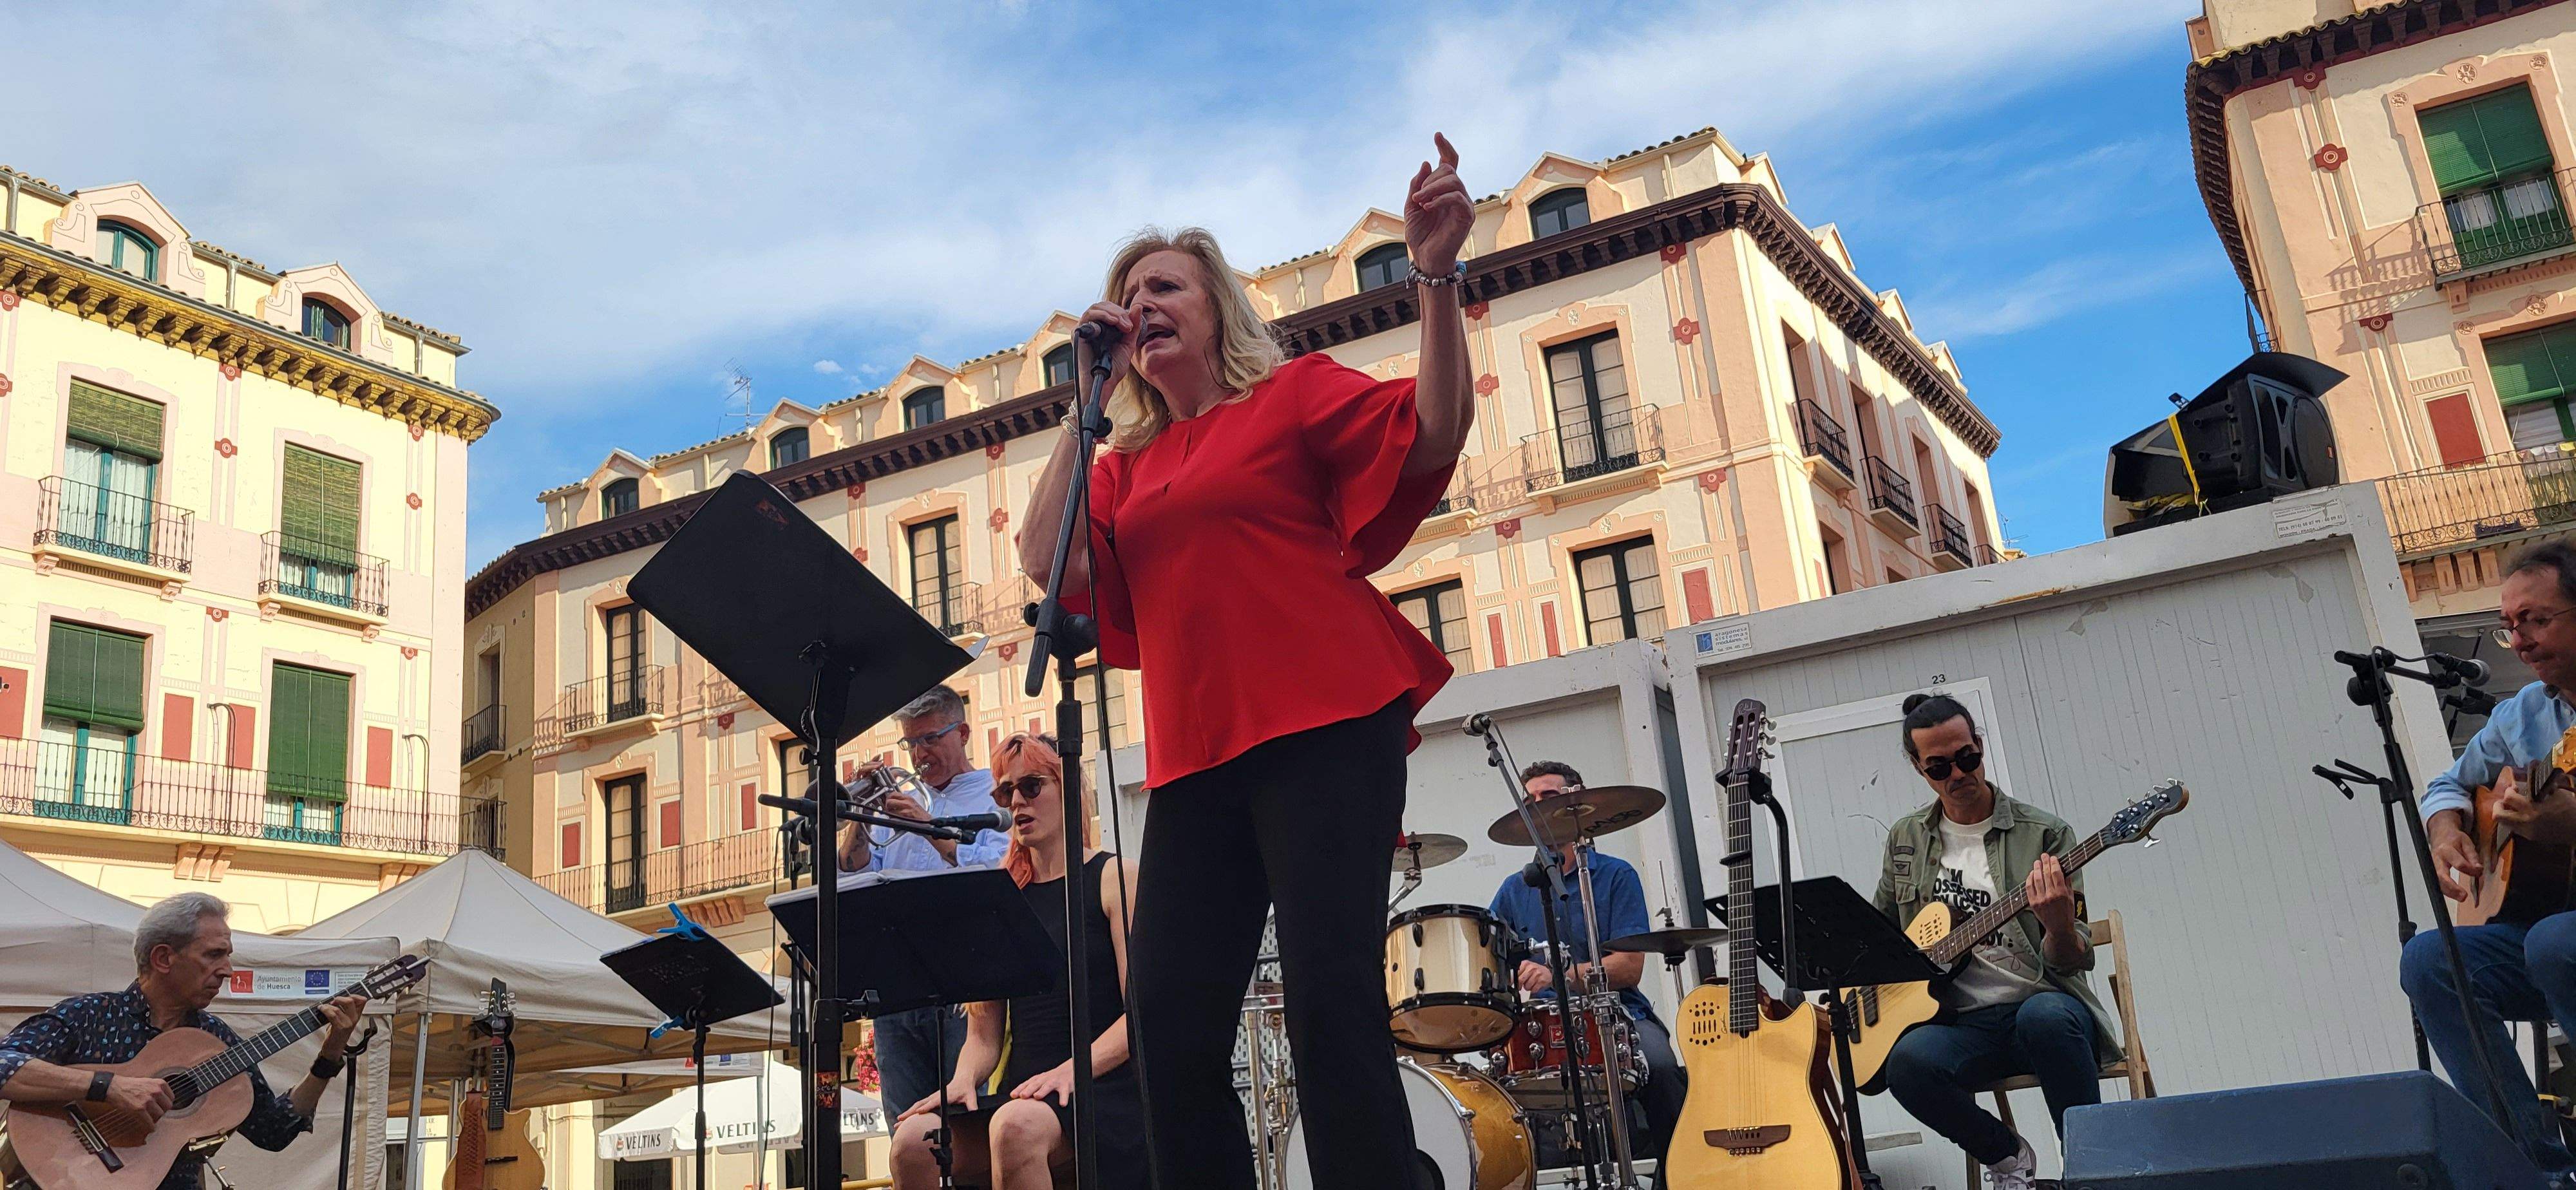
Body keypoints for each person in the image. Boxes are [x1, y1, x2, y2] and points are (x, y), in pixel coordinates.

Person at [1018, 132, 1474, 1188]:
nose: (1142, 303)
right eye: (1128, 294)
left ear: (1218, 305)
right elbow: (1048, 559)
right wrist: (1079, 402)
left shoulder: (1291, 396)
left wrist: (1436, 277)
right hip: (1195, 762)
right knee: (1173, 1034)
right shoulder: (1126, 466)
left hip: (1327, 724)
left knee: (1330, 1006)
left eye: (1164, 284)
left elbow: (1436, 425)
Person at [1871, 693, 2120, 1190]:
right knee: (1906, 1062)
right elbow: (1880, 938)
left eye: (1967, 758)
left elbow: (2072, 963)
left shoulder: (2046, 834)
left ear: (1979, 747)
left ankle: (2094, 1171)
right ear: (1920, 769)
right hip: (1958, 1023)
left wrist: (2057, 925)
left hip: (2045, 1009)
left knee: (2046, 1017)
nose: (1958, 774)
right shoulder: (1906, 837)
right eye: (1940, 767)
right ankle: (2008, 1159)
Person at [887, 733, 1147, 1189]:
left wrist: (1071, 1070)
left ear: (1070, 789)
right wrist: (963, 1080)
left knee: (1015, 1126)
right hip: (1026, 1093)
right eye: (1005, 792)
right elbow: (984, 1036)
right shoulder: (1004, 899)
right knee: (913, 1140)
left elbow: (1141, 1014)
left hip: (1104, 1088)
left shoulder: (1113, 878)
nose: (1016, 801)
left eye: (1031, 786)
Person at [0, 892, 365, 1190]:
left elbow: (274, 1131)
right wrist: (107, 1086)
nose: (227, 970)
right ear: (163, 958)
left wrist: (330, 1054)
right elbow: (5, 1065)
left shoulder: (215, 1040)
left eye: (227, 956)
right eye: (213, 955)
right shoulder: (90, 1015)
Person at [2410, 541, 2576, 1182]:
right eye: (2510, 628)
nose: (2522, 641)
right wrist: (2447, 830)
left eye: (2536, 620)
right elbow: (2446, 785)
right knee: (2431, 958)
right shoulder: (2523, 716)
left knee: (2553, 941)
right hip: (2546, 933)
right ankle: (2536, 1172)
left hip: (2558, 939)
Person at [1485, 760, 1687, 1184]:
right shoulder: (1512, 889)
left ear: (1578, 801)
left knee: (1664, 1069)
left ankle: (1679, 1178)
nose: (1537, 807)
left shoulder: (1615, 875)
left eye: (1549, 797)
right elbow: (1490, 961)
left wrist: (1558, 976)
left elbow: (1629, 968)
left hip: (1618, 1014)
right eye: (1530, 800)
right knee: (1490, 1096)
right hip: (1540, 1026)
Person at [836, 684, 1013, 1125]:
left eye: (931, 739)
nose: (919, 755)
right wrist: (862, 816)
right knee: (907, 1129)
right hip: (898, 987)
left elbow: (1002, 872)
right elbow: (853, 875)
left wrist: (929, 826)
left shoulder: (995, 795)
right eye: (911, 743)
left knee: (968, 1121)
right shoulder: (905, 798)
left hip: (966, 987)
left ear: (964, 733)